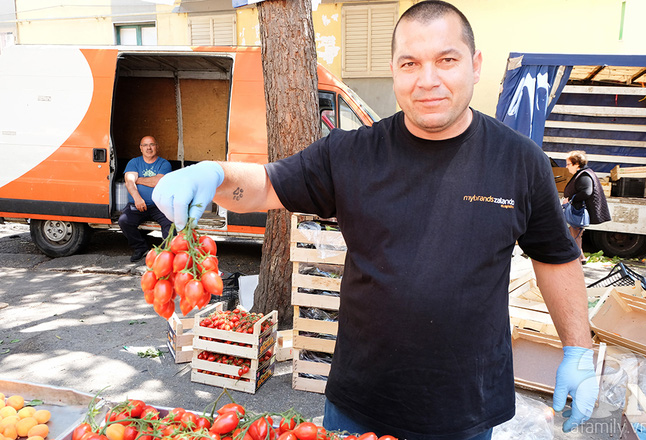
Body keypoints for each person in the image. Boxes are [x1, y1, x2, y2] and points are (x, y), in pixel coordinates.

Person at [152, 2, 598, 438]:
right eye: (410, 63)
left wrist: (578, 348)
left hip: (466, 410)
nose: (428, 80)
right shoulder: (351, 153)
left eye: (446, 60)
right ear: (393, 69)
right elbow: (267, 185)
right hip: (358, 406)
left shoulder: (521, 161)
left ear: (475, 64)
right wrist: (213, 175)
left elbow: (556, 258)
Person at [118, 136, 174, 262]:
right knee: (124, 221)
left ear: (157, 147)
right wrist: (137, 198)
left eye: (152, 144)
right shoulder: (134, 162)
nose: (149, 148)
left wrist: (137, 179)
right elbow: (129, 182)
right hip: (138, 204)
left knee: (170, 224)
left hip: (159, 205)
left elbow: (158, 181)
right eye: (145, 145)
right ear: (141, 148)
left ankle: (165, 255)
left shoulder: (164, 163)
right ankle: (140, 248)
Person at [562, 150, 611, 262]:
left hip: (577, 211)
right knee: (575, 234)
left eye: (569, 164)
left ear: (577, 164)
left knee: (574, 234)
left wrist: (570, 200)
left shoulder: (584, 175)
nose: (566, 167)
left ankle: (577, 258)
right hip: (576, 210)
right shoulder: (583, 173)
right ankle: (581, 257)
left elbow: (586, 192)